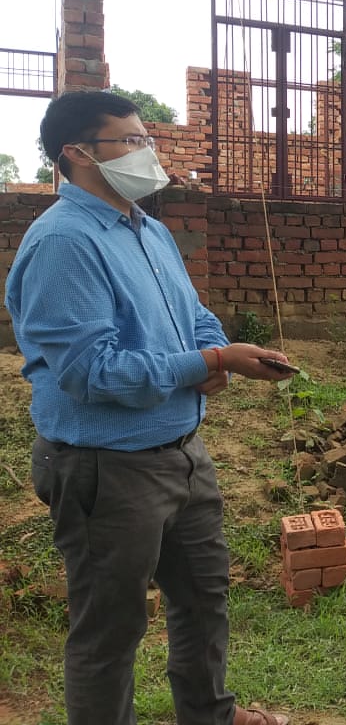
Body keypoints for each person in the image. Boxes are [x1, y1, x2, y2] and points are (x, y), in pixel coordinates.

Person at [4, 91, 295, 725]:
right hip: (106, 469)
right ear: (79, 154)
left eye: (148, 140)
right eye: (131, 141)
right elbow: (91, 372)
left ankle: (209, 714)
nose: (148, 153)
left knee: (203, 598)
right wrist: (209, 362)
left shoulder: (149, 229)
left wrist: (213, 354)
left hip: (183, 454)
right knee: (110, 629)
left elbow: (193, 316)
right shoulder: (63, 242)